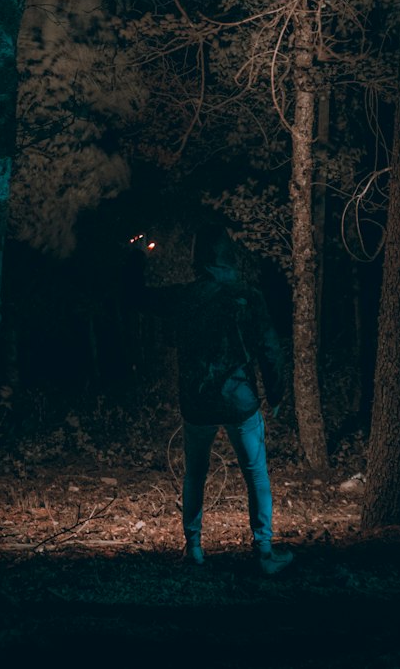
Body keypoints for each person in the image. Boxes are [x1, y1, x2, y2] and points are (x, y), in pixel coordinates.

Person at [131, 219, 293, 576]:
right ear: (229, 257)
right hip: (240, 400)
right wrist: (276, 392)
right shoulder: (247, 295)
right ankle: (264, 551)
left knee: (195, 474)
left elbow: (139, 297)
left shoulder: (186, 296)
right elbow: (269, 347)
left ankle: (194, 549)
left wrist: (138, 257)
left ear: (198, 259)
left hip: (198, 400)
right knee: (255, 473)